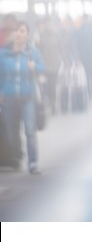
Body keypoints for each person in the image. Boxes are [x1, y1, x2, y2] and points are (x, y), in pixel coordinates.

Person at [0, 21, 45, 174]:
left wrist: (35, 67)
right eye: (16, 31)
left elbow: (42, 69)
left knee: (30, 131)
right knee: (12, 131)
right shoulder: (3, 53)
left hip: (28, 97)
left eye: (22, 31)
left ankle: (33, 163)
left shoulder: (33, 52)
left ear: (27, 35)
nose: (18, 33)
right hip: (9, 97)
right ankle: (18, 157)